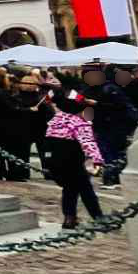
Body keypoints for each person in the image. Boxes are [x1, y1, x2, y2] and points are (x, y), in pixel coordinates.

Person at [43, 92, 105, 229]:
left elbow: (47, 141)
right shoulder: (80, 122)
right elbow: (88, 142)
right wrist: (98, 161)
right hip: (72, 160)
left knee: (69, 189)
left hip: (55, 160)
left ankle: (69, 218)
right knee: (86, 190)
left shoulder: (56, 119)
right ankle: (99, 218)